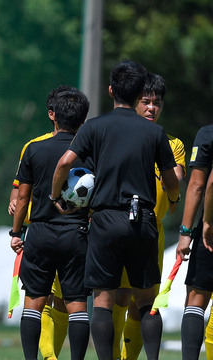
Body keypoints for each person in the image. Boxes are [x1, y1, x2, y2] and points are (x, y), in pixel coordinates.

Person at [50, 60, 180, 360]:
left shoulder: (95, 126)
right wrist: (173, 198)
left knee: (104, 301)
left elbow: (64, 163)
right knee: (147, 301)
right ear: (138, 94)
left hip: (105, 219)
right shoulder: (155, 133)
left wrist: (56, 195)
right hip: (142, 219)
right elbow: (172, 180)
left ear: (110, 90)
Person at [11, 87, 91, 360]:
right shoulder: (91, 152)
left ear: (52, 115)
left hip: (41, 232)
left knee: (34, 301)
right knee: (77, 305)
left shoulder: (34, 149)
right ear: (83, 119)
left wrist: (16, 231)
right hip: (76, 233)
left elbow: (22, 197)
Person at [113, 73, 185, 360]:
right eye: (146, 102)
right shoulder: (118, 136)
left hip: (151, 231)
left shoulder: (173, 143)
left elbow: (175, 180)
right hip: (117, 226)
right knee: (117, 296)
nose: (152, 108)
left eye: (157, 103)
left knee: (142, 302)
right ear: (135, 102)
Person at [176, 123, 213, 359]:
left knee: (196, 301)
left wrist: (193, 228)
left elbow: (202, 184)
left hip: (211, 233)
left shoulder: (207, 134)